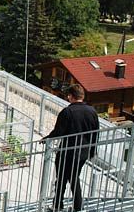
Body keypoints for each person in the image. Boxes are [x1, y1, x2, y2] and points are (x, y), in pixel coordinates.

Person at [41, 84, 99, 212]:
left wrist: (46, 139)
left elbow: (58, 132)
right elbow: (95, 133)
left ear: (70, 96)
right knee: (73, 177)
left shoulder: (67, 112)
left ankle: (58, 206)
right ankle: (76, 207)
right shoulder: (92, 111)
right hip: (83, 152)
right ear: (82, 96)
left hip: (67, 152)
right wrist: (92, 151)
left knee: (62, 178)